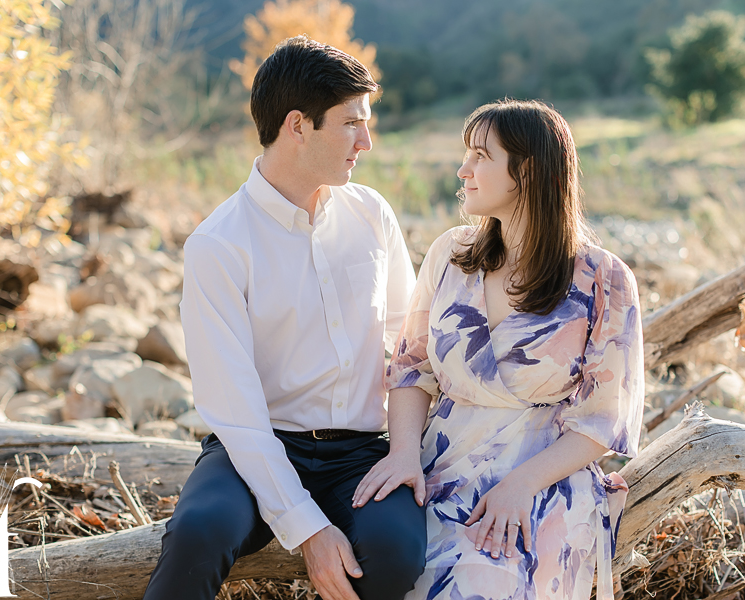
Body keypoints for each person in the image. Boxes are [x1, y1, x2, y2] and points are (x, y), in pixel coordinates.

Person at [142, 36, 426, 600]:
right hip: (257, 446)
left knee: (396, 554)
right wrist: (308, 529)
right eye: (351, 124)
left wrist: (406, 450)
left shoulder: (371, 214)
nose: (366, 142)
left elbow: (411, 345)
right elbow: (235, 411)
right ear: (297, 125)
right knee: (199, 531)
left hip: (362, 452)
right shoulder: (218, 245)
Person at [352, 99, 644, 600]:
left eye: (481, 156)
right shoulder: (451, 255)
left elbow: (603, 421)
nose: (463, 170)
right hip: (439, 467)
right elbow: (411, 367)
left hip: (541, 477)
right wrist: (402, 454)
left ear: (527, 171)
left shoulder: (604, 279)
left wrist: (520, 486)